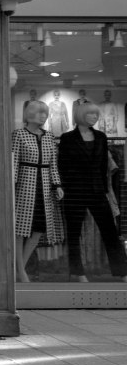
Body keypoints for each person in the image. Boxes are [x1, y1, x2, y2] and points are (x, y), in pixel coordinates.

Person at [58, 102, 127, 283]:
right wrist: (66, 187)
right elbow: (62, 165)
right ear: (81, 115)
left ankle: (122, 271)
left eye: (96, 114)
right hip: (75, 191)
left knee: (110, 230)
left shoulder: (101, 137)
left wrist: (104, 189)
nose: (95, 117)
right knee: (74, 233)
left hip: (97, 190)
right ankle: (77, 272)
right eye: (91, 114)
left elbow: (104, 165)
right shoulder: (67, 138)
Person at [12, 101, 64, 283]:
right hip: (25, 184)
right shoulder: (19, 134)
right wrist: (12, 185)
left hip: (44, 186)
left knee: (39, 229)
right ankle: (21, 271)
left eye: (45, 113)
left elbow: (53, 164)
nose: (43, 116)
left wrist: (57, 185)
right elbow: (14, 162)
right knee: (20, 229)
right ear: (30, 114)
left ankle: (20, 268)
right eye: (40, 113)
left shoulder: (49, 136)